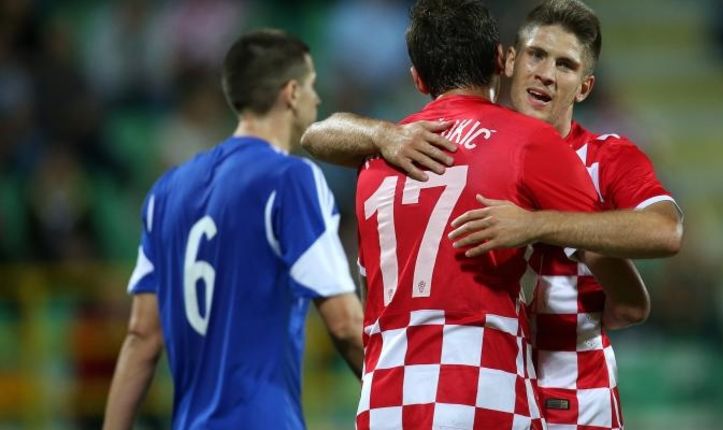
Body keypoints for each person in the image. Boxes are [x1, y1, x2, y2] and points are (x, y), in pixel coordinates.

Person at [302, 1, 683, 429]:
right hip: (498, 385)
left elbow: (664, 237)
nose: (546, 74)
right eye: (537, 56)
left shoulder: (606, 155)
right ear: (508, 60)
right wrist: (380, 132)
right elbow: (316, 135)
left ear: (584, 87)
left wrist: (535, 225)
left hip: (570, 393)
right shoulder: (451, 143)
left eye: (565, 65)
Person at [102, 29, 364, 430]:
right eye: (312, 85)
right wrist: (404, 396)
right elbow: (345, 325)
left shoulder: (166, 191)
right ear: (291, 93)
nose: (318, 98)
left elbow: (141, 337)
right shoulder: (290, 179)